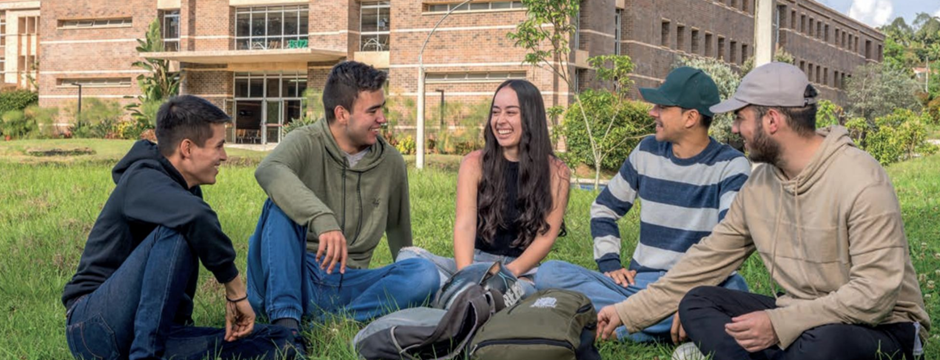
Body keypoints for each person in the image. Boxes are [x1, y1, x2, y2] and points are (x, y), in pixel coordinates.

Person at [596, 62, 930, 360]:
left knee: (825, 342)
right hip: (797, 313)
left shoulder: (861, 179)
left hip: (881, 325)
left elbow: (876, 294)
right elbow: (705, 261)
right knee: (696, 302)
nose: (735, 129)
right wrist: (627, 312)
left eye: (741, 118)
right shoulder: (759, 187)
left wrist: (780, 324)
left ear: (771, 119)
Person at [62, 95, 303, 360]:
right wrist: (235, 290)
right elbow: (196, 217)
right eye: (219, 146)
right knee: (179, 229)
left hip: (155, 331)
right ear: (187, 148)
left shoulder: (186, 190)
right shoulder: (141, 179)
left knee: (279, 342)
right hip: (94, 326)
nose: (224, 156)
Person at [535, 67, 751, 343]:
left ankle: (618, 325)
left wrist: (690, 295)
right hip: (639, 285)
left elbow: (727, 244)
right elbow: (604, 209)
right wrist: (610, 263)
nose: (652, 113)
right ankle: (674, 324)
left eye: (661, 106)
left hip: (697, 284)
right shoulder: (646, 151)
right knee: (550, 273)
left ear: (690, 117)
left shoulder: (731, 166)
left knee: (736, 289)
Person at [246, 61, 439, 330]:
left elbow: (399, 233)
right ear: (342, 113)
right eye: (373, 110)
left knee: (424, 273)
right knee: (278, 206)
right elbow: (268, 170)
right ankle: (285, 326)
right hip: (291, 273)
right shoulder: (306, 141)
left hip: (348, 282)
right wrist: (322, 218)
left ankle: (330, 323)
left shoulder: (391, 162)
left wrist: (406, 282)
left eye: (381, 108)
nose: (382, 118)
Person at [396, 79, 570, 297]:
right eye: (496, 112)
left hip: (522, 271)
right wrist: (466, 277)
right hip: (474, 264)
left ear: (530, 117)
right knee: (409, 260)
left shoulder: (557, 173)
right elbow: (465, 226)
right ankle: (468, 296)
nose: (500, 120)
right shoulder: (473, 163)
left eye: (511, 112)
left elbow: (546, 237)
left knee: (529, 288)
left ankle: (468, 299)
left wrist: (508, 274)